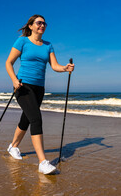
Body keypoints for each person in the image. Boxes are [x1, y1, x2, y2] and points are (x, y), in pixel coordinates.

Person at [5, 14, 74, 175]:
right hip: (23, 86)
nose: (42, 25)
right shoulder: (22, 41)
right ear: (31, 26)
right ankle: (43, 162)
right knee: (36, 118)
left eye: (44, 23)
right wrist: (14, 80)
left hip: (39, 89)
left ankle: (13, 146)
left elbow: (54, 65)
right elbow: (9, 62)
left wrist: (65, 68)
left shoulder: (48, 45)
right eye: (39, 23)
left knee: (27, 119)